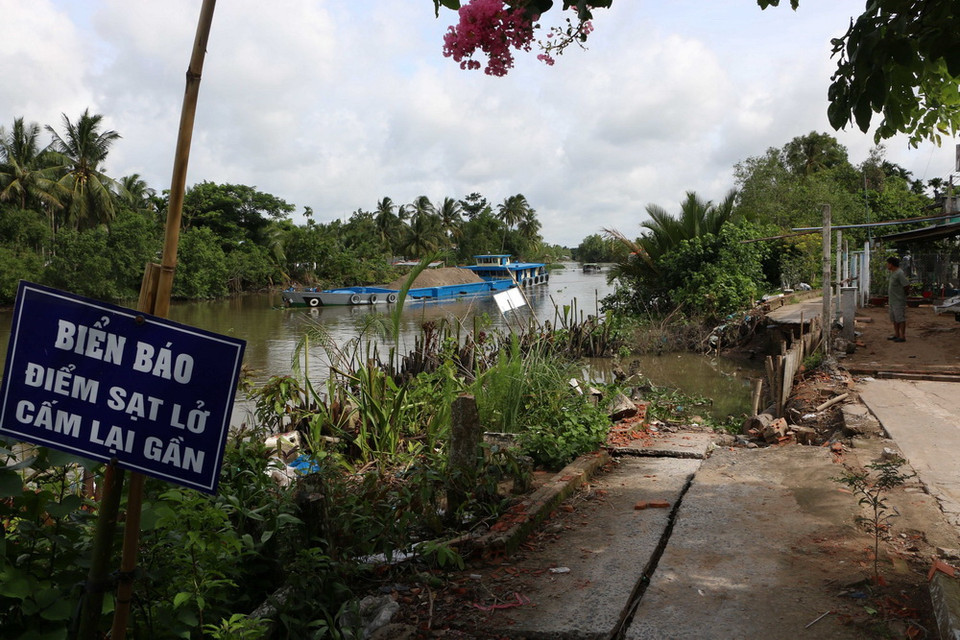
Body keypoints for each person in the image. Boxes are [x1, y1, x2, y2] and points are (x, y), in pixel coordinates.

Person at [886, 256, 910, 342]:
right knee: (894, 319)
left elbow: (906, 285)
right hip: (892, 300)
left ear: (891, 264)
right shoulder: (893, 273)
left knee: (900, 318)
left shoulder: (900, 273)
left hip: (898, 300)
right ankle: (897, 334)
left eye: (888, 263)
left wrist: (905, 294)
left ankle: (902, 336)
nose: (887, 265)